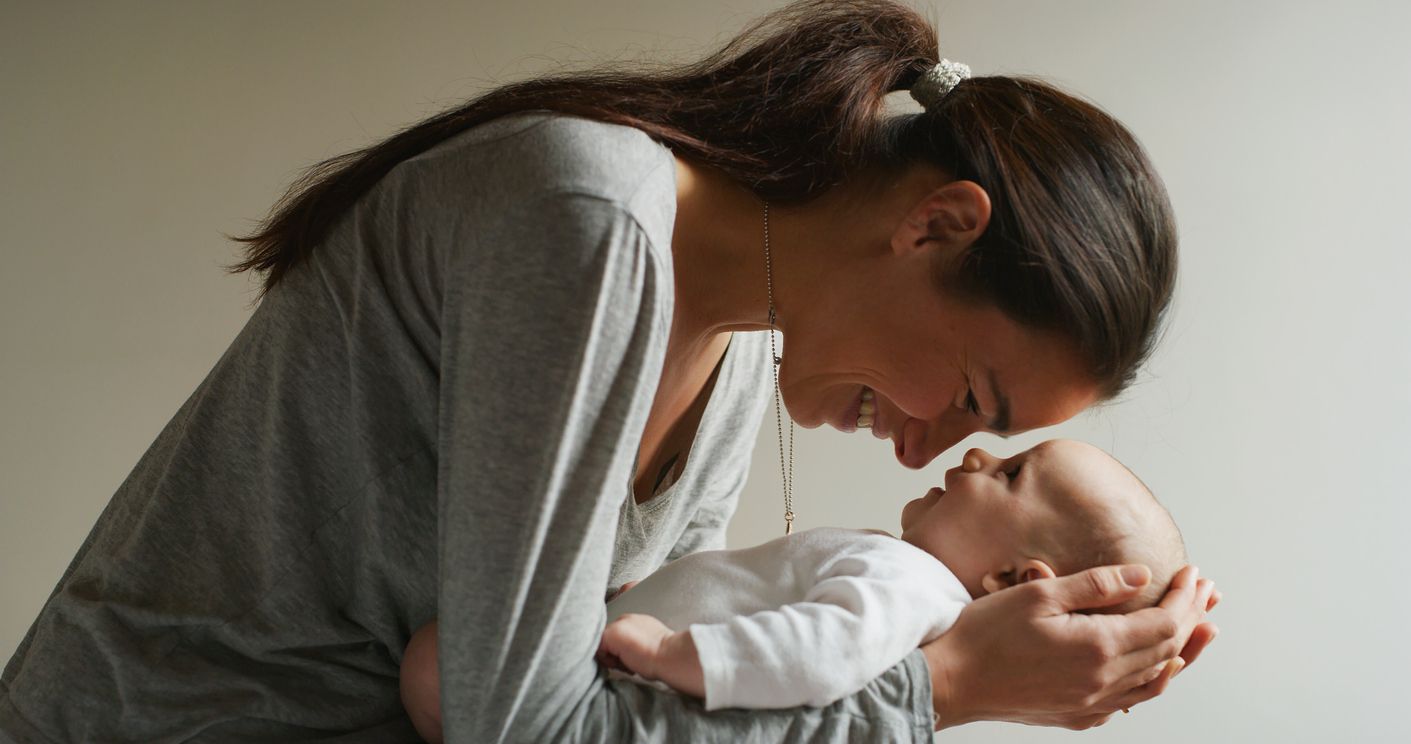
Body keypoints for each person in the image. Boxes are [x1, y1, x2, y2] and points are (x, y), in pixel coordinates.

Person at [0, 1, 1216, 742]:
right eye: (968, 400)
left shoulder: (741, 361)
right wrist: (935, 693)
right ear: (935, 225)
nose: (917, 448)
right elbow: (525, 731)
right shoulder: (588, 224)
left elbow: (622, 707)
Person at [397, 439, 1200, 741]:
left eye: (1012, 473)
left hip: (626, 675)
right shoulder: (901, 578)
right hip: (626, 659)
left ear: (1013, 582)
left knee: (436, 665)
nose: (977, 454)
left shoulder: (906, 585)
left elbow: (816, 655)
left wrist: (677, 650)